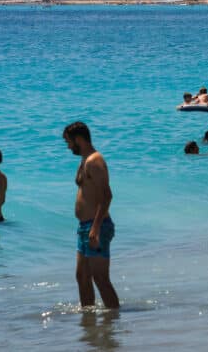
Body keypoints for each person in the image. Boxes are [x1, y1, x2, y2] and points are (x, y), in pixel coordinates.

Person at [63, 121, 119, 309]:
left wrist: (95, 228)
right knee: (82, 277)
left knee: (100, 279)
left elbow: (107, 196)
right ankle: (89, 321)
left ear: (79, 139)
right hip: (84, 227)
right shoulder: (84, 160)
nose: (68, 146)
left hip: (97, 226)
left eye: (69, 142)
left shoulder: (95, 160)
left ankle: (113, 320)